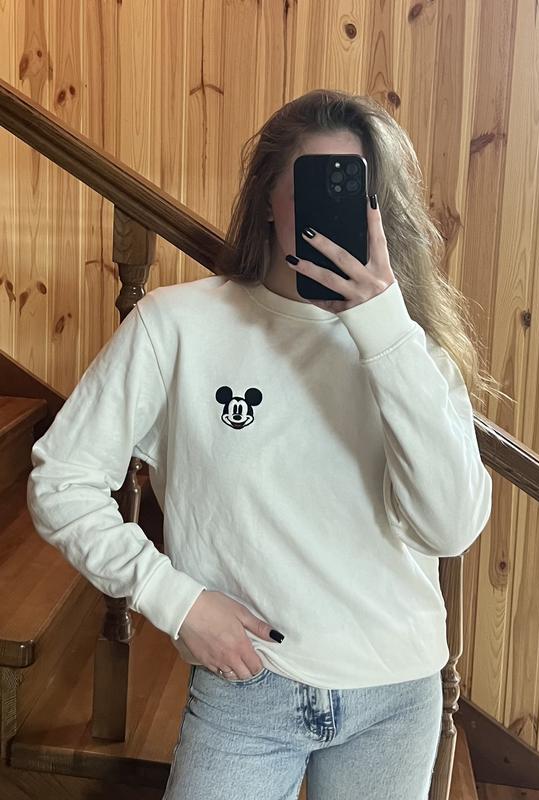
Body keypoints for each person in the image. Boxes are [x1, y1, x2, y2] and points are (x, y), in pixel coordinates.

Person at [27, 89, 506, 800]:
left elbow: (449, 526)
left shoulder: (411, 349)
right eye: (312, 185)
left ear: (382, 211)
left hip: (396, 697)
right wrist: (175, 599)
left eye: (357, 192)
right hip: (247, 687)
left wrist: (382, 327)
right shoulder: (178, 327)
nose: (333, 209)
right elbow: (61, 482)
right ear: (269, 200)